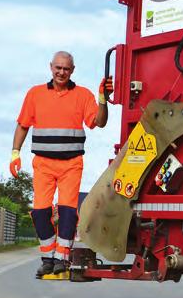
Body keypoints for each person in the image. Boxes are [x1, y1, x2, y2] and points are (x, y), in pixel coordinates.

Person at [10, 51, 112, 278]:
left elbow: (100, 122)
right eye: (58, 68)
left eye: (66, 68)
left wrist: (103, 98)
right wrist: (15, 153)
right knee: (39, 212)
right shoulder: (35, 94)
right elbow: (23, 125)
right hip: (43, 164)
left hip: (71, 164)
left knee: (67, 212)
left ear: (72, 70)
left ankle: (61, 259)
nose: (61, 72)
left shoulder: (83, 95)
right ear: (51, 67)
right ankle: (48, 258)